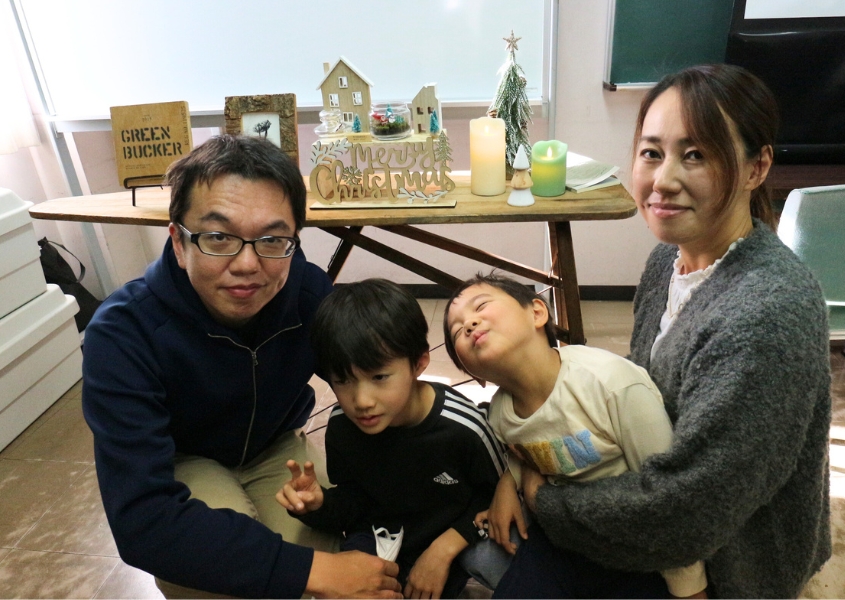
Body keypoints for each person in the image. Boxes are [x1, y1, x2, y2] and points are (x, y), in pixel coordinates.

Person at [517, 64, 833, 598]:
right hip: (661, 517)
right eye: (651, 152)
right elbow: (639, 398)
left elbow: (688, 514)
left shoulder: (767, 313)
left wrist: (544, 500)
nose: (663, 180)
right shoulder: (668, 260)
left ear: (757, 167)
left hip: (726, 565)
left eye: (696, 155)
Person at [82, 135, 402, 599]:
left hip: (277, 446)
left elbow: (384, 380)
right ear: (178, 242)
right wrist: (314, 572)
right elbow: (143, 520)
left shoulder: (307, 294)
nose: (248, 264)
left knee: (337, 554)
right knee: (228, 580)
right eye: (218, 237)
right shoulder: (123, 333)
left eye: (272, 239)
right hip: (183, 457)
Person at [443, 273, 707, 599]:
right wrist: (508, 485)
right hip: (560, 539)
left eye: (481, 306)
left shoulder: (611, 383)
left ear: (537, 313)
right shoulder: (500, 414)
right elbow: (523, 452)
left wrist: (690, 589)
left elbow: (670, 496)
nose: (469, 324)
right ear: (472, 373)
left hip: (637, 545)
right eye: (457, 330)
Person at [276, 278, 506, 599]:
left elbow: (499, 498)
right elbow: (355, 505)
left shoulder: (465, 428)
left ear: (419, 363)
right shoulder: (343, 425)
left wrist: (444, 549)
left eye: (379, 377)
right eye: (343, 380)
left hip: (453, 541)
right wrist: (318, 505)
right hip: (378, 537)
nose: (362, 401)